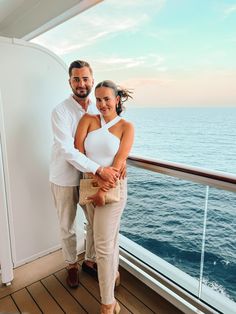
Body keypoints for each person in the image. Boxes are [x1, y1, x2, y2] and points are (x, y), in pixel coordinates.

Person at [50, 61, 119, 289]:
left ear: (92, 79)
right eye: (76, 79)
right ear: (69, 81)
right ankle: (71, 265)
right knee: (67, 224)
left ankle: (89, 260)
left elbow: (110, 137)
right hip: (65, 177)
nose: (81, 83)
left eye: (85, 78)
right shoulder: (60, 111)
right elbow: (68, 149)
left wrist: (121, 160)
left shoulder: (96, 108)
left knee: (93, 223)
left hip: (89, 179)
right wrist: (98, 169)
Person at [75, 80, 134, 314]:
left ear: (117, 99)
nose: (102, 104)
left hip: (113, 190)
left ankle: (108, 303)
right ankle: (115, 275)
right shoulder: (87, 120)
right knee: (108, 239)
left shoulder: (126, 127)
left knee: (102, 245)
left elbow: (119, 163)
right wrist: (96, 175)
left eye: (107, 99)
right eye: (98, 99)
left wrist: (102, 190)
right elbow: (78, 150)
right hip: (90, 186)